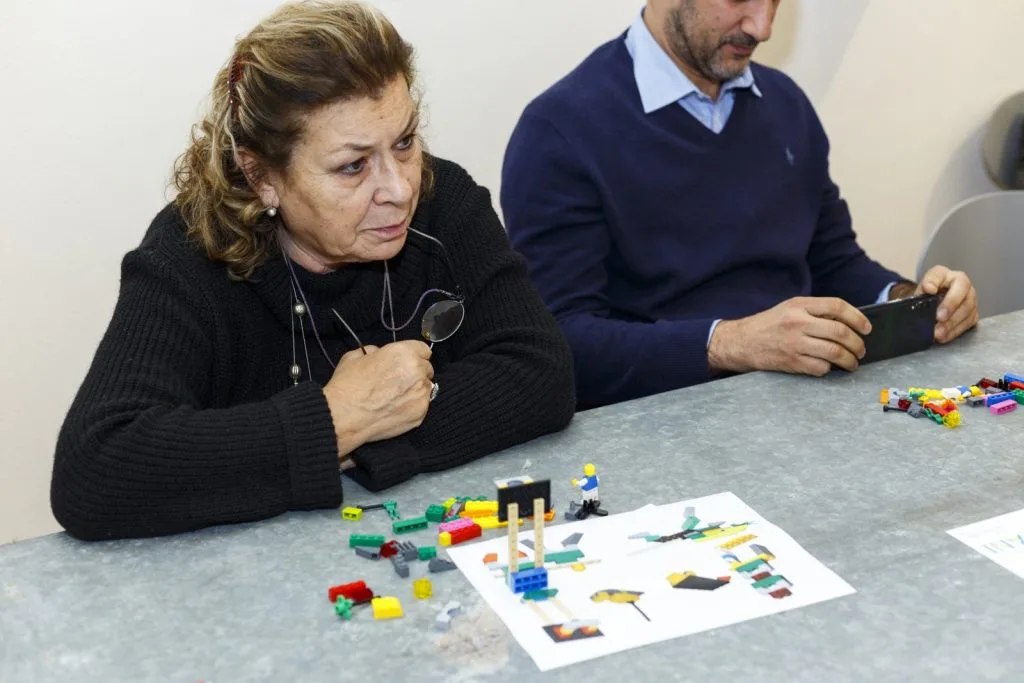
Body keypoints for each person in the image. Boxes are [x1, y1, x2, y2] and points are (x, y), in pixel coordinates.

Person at [51, 0, 575, 541]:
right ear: (262, 176)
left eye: (404, 142)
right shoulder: (192, 254)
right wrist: (336, 418)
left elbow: (541, 372)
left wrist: (366, 434)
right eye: (353, 166)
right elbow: (96, 467)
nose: (398, 190)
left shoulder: (446, 202)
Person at [500, 0, 979, 410]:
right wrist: (731, 344)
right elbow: (561, 343)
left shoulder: (785, 104)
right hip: (661, 421)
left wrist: (911, 302)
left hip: (810, 404)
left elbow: (833, 261)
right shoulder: (560, 131)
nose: (762, 27)